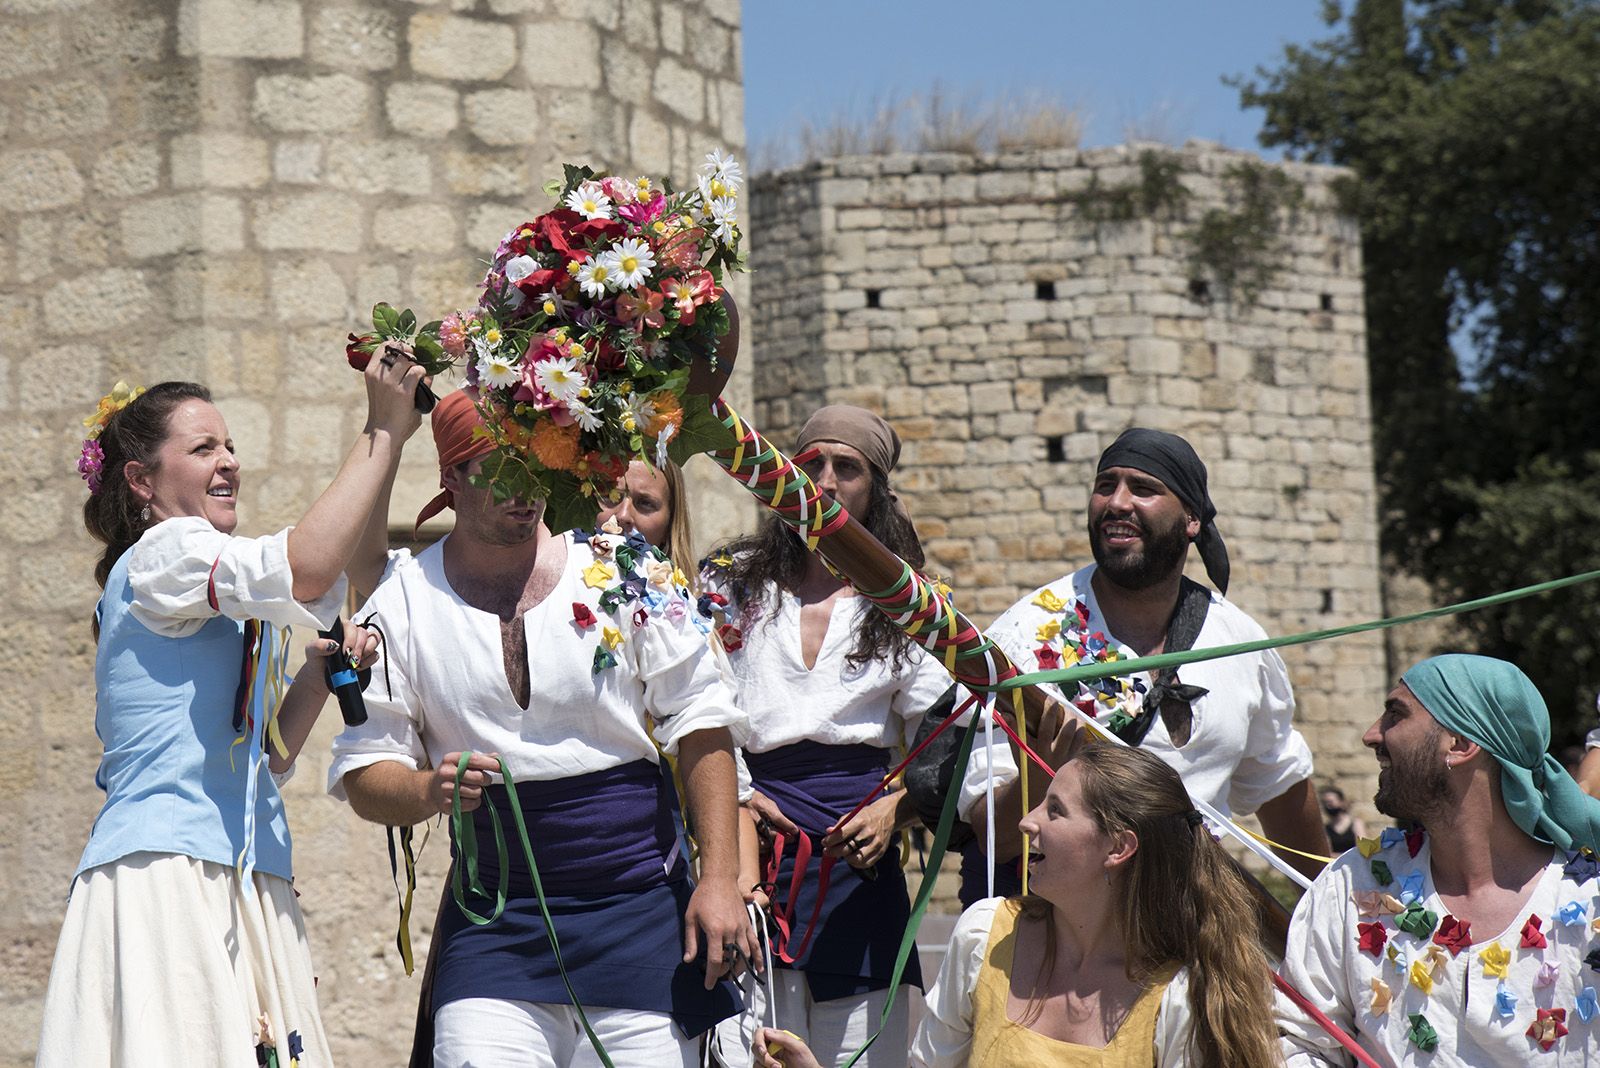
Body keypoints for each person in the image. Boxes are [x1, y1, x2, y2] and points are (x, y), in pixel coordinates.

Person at [327, 389, 755, 1068]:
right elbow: (363, 772)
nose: (521, 492)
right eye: (498, 472)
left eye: (533, 469)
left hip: (640, 912)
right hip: (497, 926)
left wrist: (722, 880)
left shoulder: (623, 569)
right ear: (451, 481)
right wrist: (427, 790)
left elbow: (703, 722)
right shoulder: (401, 602)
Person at [38, 354, 427, 1067]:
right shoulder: (166, 553)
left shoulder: (191, 577)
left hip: (235, 871)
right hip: (171, 873)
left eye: (231, 446)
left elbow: (266, 756)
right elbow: (307, 568)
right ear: (141, 481)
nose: (230, 463)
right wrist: (381, 431)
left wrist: (316, 674)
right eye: (203, 448)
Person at [960, 427, 1330, 904]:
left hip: (1191, 922)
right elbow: (993, 837)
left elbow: (1280, 787)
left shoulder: (1240, 643)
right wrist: (1044, 780)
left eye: (1144, 488)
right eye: (1105, 485)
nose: (1117, 502)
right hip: (1053, 927)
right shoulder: (1022, 639)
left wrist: (1328, 915)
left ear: (1192, 519)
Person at [756, 743, 1281, 1068]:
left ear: (1118, 848)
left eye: (1055, 810)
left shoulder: (1179, 998)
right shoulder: (986, 935)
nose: (1027, 821)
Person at [701, 406, 955, 1068]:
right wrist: (740, 804)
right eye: (810, 463)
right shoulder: (732, 581)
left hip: (856, 868)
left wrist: (897, 808)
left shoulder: (903, 601)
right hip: (751, 855)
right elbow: (694, 704)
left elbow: (949, 725)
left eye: (848, 467)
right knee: (747, 1054)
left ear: (875, 488)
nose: (825, 479)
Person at [1279, 654, 1600, 1064]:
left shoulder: (1590, 903)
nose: (1371, 735)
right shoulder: (1352, 885)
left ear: (1461, 744)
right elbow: (1299, 1042)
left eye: (1396, 715)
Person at [597, 458, 699, 595]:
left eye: (645, 503)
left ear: (669, 527)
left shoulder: (684, 612)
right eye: (610, 496)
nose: (623, 515)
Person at [1320, 785, 1369, 855]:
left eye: (1330, 802)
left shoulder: (1356, 824)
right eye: (1325, 803)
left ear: (1341, 802)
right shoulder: (1326, 829)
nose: (1328, 806)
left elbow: (1363, 848)